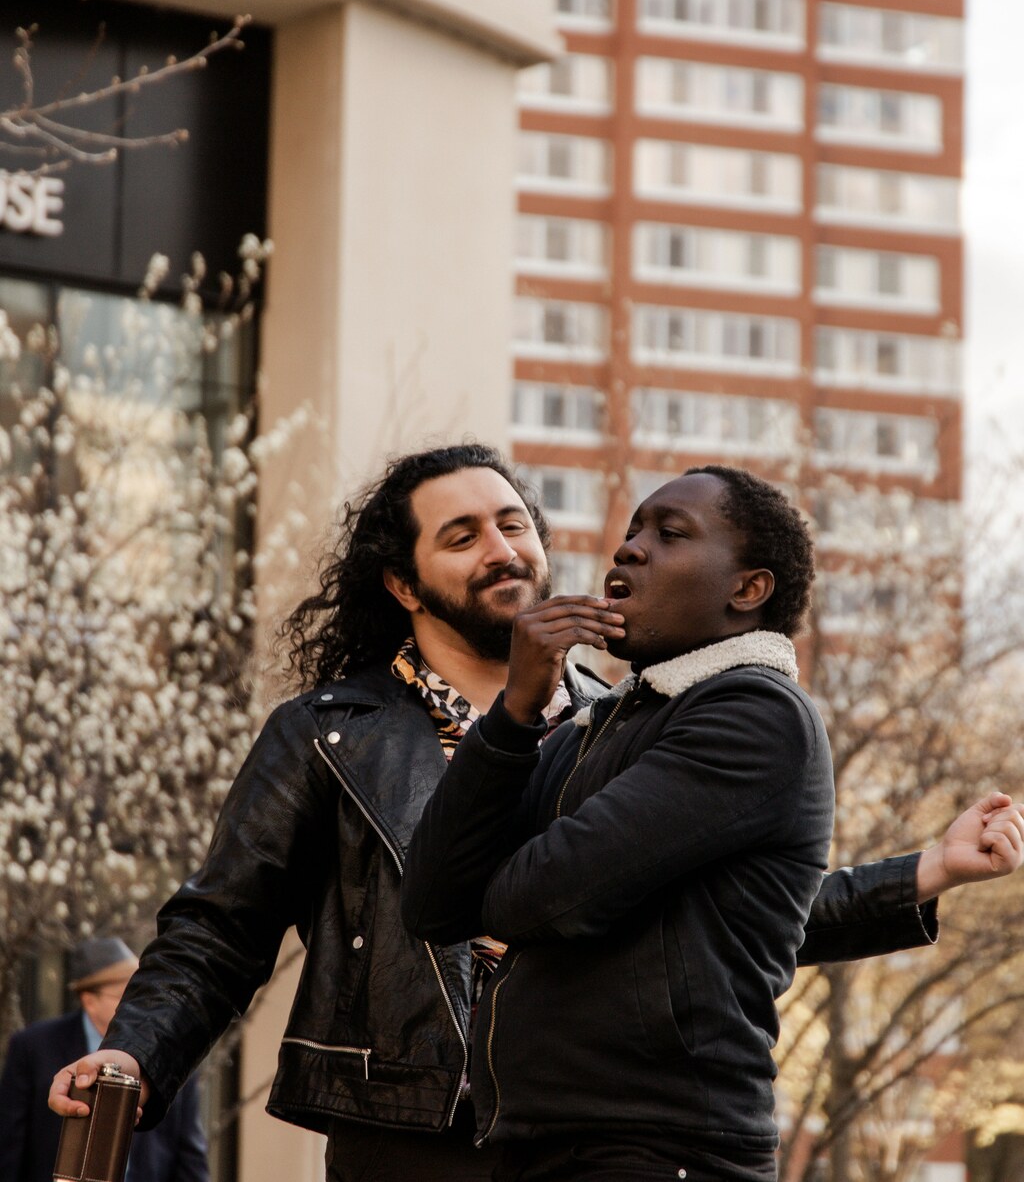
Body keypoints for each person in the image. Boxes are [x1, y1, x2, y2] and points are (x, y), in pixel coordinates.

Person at [47, 445, 1024, 1182]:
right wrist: (135, 1048)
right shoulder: (328, 733)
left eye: (514, 522)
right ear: (402, 581)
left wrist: (922, 873)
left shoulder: (624, 719)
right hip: (404, 1133)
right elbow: (221, 926)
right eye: (461, 534)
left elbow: (721, 926)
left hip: (582, 1136)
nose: (502, 548)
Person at [400, 464, 1022, 1182]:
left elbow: (537, 896)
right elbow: (433, 902)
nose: (629, 548)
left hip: (662, 1149)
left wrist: (502, 876)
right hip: (544, 1141)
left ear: (747, 589)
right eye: (632, 529)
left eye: (669, 534)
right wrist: (512, 717)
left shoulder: (757, 715)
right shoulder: (585, 729)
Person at [1, 937, 208, 1182]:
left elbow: (190, 1154)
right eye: (126, 995)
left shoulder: (168, 1052)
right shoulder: (34, 1046)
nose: (138, 1006)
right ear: (89, 1000)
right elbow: (9, 1145)